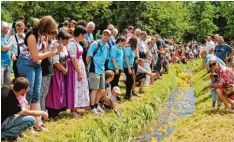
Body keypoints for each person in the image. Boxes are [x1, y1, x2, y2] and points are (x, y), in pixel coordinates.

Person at [17, 16, 60, 130]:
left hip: (37, 64)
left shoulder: (44, 36)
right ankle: (28, 124)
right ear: (46, 27)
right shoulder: (32, 35)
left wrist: (54, 51)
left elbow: (44, 54)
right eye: (51, 29)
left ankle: (37, 123)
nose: (51, 32)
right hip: (26, 63)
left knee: (36, 94)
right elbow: (35, 55)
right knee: (29, 93)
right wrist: (50, 53)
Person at [46, 30, 70, 118]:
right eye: (65, 40)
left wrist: (66, 68)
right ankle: (52, 112)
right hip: (56, 72)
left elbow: (65, 58)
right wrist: (64, 70)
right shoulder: (55, 45)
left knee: (60, 91)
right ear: (60, 38)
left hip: (62, 71)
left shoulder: (63, 46)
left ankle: (58, 110)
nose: (66, 43)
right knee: (55, 92)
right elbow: (55, 62)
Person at [67, 25, 90, 118]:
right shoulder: (72, 43)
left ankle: (76, 108)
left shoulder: (77, 42)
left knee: (80, 88)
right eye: (84, 35)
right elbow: (73, 59)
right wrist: (79, 72)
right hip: (75, 69)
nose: (84, 37)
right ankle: (73, 110)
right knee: (75, 88)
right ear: (80, 34)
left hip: (79, 66)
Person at [86, 29, 111, 114]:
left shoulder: (107, 46)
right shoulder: (95, 44)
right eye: (105, 34)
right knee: (95, 89)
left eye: (108, 35)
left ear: (109, 37)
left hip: (102, 70)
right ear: (102, 35)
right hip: (94, 69)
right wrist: (87, 68)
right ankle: (92, 107)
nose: (106, 36)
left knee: (101, 89)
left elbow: (105, 58)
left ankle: (96, 105)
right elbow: (88, 56)